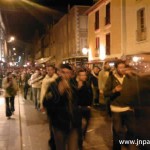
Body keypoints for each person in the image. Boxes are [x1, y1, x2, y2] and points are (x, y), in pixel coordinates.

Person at [43, 64, 80, 150]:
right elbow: (46, 102)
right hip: (59, 123)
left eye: (68, 73)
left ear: (71, 74)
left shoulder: (74, 84)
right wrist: (59, 93)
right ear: (59, 73)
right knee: (60, 147)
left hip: (73, 123)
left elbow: (80, 101)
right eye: (63, 72)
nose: (65, 75)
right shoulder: (53, 86)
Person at [104, 60, 137, 150]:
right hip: (116, 109)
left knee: (132, 130)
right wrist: (114, 90)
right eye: (120, 67)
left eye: (124, 67)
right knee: (117, 131)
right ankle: (117, 148)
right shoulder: (111, 78)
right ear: (116, 68)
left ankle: (126, 143)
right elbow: (106, 93)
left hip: (128, 108)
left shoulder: (129, 78)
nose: (122, 69)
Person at [72, 68, 93, 150]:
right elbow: (73, 97)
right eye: (82, 75)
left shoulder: (87, 84)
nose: (84, 76)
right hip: (78, 108)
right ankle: (79, 142)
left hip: (86, 108)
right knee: (80, 125)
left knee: (85, 125)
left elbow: (91, 94)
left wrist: (90, 105)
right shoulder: (74, 84)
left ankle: (81, 138)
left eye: (85, 75)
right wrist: (78, 88)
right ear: (78, 76)